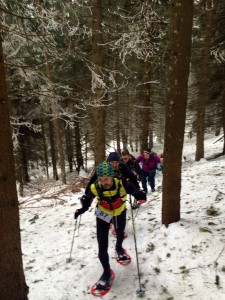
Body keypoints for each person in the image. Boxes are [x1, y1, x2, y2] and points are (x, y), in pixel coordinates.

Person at [74, 161, 129, 290]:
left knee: (120, 231)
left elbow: (132, 189)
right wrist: (82, 209)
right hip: (103, 213)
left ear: (112, 176)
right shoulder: (95, 186)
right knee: (102, 245)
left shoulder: (120, 182)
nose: (104, 182)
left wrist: (138, 194)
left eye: (107, 179)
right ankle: (106, 272)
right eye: (101, 179)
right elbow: (88, 201)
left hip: (119, 211)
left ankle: (119, 248)